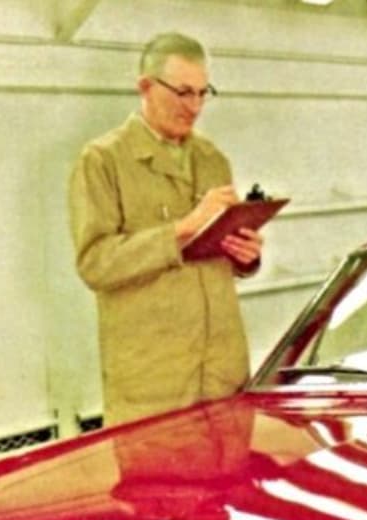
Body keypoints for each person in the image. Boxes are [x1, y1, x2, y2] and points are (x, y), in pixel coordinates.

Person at [69, 32, 263, 427]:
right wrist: (182, 229)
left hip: (222, 376)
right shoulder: (102, 160)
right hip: (154, 387)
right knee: (161, 489)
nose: (194, 106)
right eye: (182, 92)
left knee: (231, 487)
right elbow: (95, 263)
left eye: (202, 93)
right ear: (145, 87)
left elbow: (216, 255)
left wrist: (246, 256)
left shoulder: (213, 159)